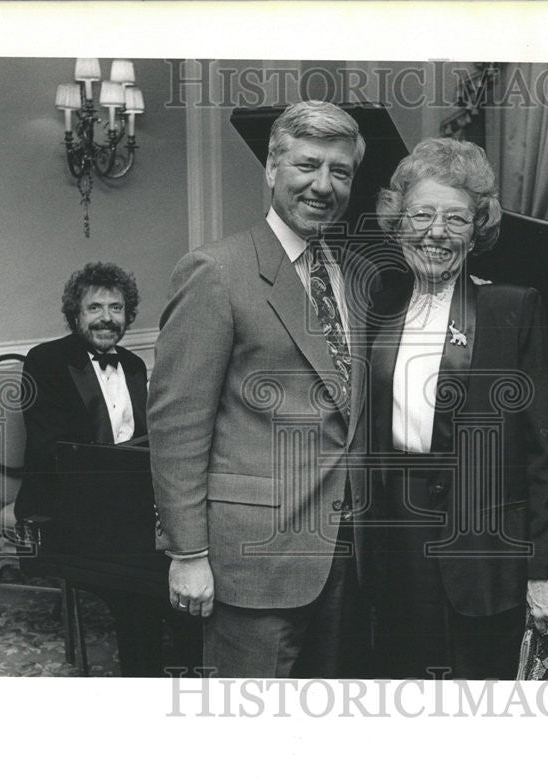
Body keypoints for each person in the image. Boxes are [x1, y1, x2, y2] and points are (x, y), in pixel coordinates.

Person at [148, 100, 377, 677]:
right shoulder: (215, 271)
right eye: (307, 165)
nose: (323, 185)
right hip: (252, 559)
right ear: (271, 169)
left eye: (340, 171)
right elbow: (178, 425)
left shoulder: (352, 275)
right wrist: (187, 554)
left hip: (343, 556)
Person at [365, 138, 548, 679]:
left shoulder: (511, 309)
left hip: (481, 550)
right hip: (391, 542)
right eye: (422, 215)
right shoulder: (376, 306)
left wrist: (543, 570)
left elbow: (542, 453)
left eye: (455, 219)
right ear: (398, 223)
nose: (436, 233)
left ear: (477, 229)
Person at [16, 262, 200, 676]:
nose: (106, 317)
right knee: (142, 584)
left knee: (184, 554)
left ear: (127, 315)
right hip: (62, 510)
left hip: (127, 509)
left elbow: (145, 441)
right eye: (94, 307)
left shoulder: (133, 365)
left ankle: (193, 670)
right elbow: (50, 452)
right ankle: (145, 677)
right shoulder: (44, 361)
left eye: (116, 308)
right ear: (75, 315)